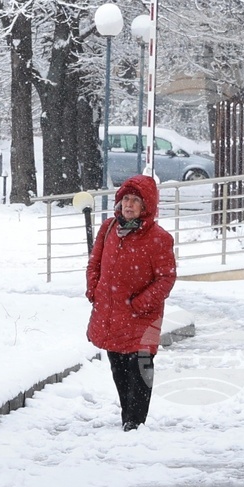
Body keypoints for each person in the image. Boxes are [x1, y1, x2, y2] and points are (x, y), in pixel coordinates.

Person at [85, 174, 176, 431]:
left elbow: (166, 279)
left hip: (142, 317)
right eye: (126, 198)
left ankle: (136, 422)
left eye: (136, 200)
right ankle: (128, 417)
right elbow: (95, 263)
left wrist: (139, 304)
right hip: (111, 312)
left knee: (140, 369)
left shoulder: (159, 238)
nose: (129, 204)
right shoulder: (109, 228)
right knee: (118, 367)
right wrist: (94, 290)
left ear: (146, 206)